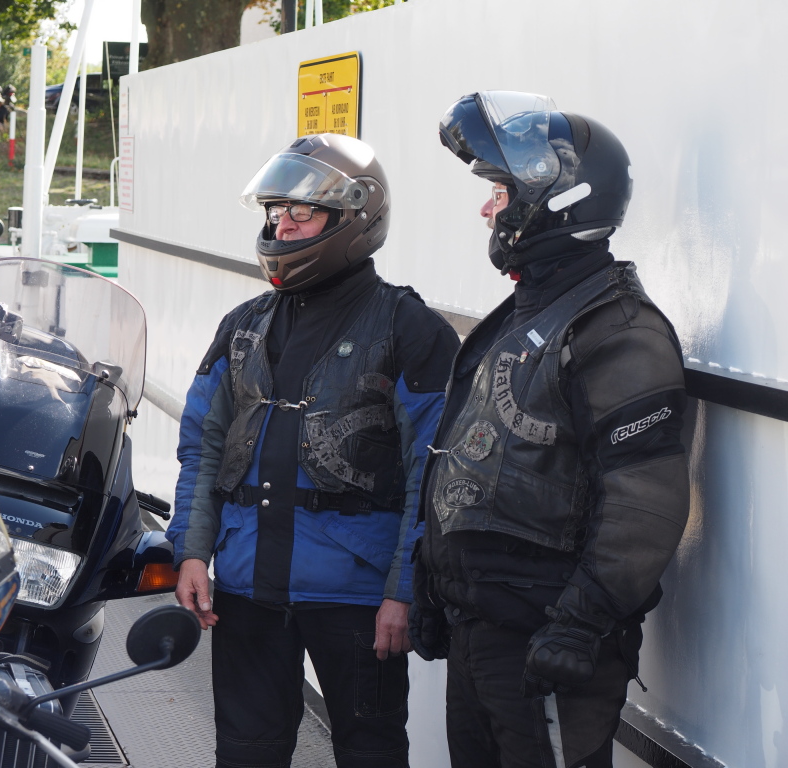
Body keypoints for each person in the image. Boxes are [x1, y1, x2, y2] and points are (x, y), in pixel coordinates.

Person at [409, 91, 690, 768]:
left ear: (556, 200)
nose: (487, 210)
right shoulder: (526, 312)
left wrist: (580, 624)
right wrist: (433, 579)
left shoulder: (618, 329)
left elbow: (644, 503)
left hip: (547, 644)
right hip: (482, 632)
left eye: (499, 192)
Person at [168, 133, 460, 768]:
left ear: (355, 217)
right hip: (245, 586)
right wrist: (191, 551)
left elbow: (435, 473)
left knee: (371, 754)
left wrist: (404, 592)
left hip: (357, 596)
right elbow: (202, 449)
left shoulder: (411, 329)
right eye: (277, 210)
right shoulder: (242, 325)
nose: (282, 225)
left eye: (302, 211)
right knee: (244, 754)